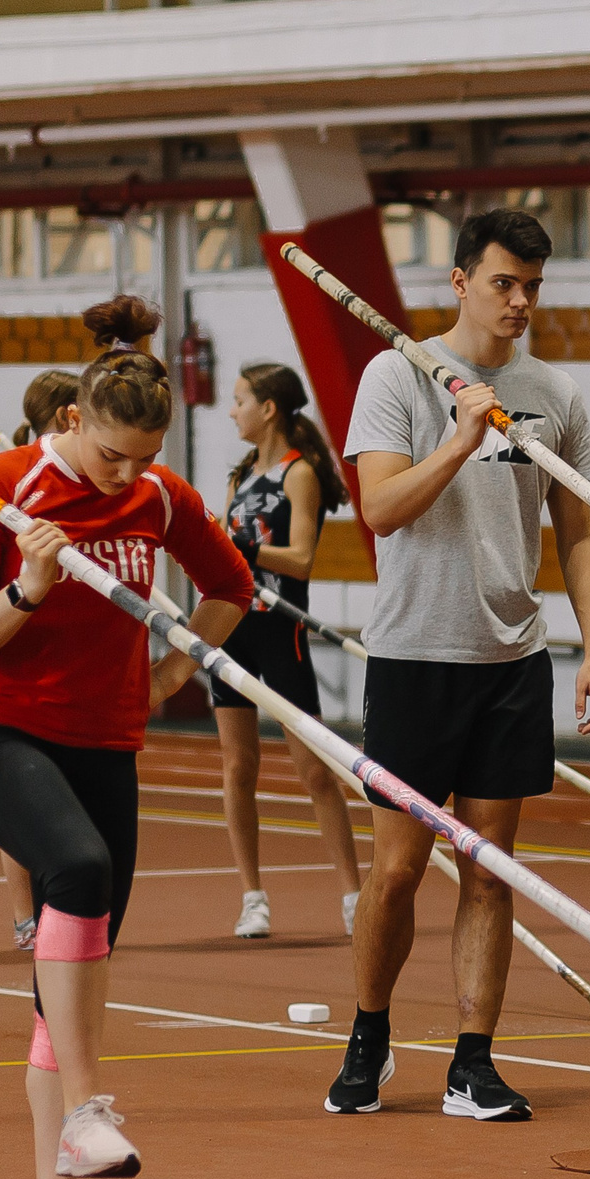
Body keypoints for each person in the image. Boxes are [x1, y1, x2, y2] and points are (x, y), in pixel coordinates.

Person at [0, 296, 253, 1179]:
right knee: (76, 868)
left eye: (143, 457)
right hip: (1, 734)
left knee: (63, 995)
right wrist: (27, 587)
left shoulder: (158, 496)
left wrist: (172, 672)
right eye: (112, 455)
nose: (125, 474)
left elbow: (231, 586)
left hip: (107, 745)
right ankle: (85, 1111)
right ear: (74, 419)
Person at [325, 206, 590, 1120]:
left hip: (511, 658)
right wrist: (460, 437)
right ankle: (369, 1037)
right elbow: (380, 510)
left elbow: (579, 532)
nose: (520, 301)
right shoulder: (396, 375)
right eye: (503, 283)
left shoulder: (556, 395)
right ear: (460, 282)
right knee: (398, 872)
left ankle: (472, 1064)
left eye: (533, 286)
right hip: (416, 654)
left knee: (490, 869)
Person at [211, 361, 362, 941]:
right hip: (232, 628)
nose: (232, 411)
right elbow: (226, 554)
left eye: (240, 400)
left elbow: (299, 558)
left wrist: (239, 547)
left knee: (314, 771)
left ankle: (353, 896)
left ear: (268, 408)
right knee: (237, 767)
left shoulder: (299, 474)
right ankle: (252, 897)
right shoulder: (240, 476)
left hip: (280, 630)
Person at [0, 367, 79, 953]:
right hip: (17, 636)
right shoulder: (14, 480)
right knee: (20, 796)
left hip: (71, 649)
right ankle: (26, 916)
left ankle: (59, 907)